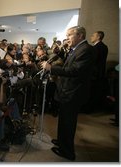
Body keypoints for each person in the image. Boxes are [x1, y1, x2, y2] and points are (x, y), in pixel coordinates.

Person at [41, 26, 95, 161]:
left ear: (80, 35)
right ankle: (61, 141)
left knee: (68, 122)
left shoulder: (86, 50)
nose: (67, 38)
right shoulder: (77, 49)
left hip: (73, 93)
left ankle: (67, 152)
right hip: (67, 91)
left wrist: (51, 68)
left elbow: (74, 71)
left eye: (70, 35)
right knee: (64, 119)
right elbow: (68, 64)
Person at [87, 31, 109, 112]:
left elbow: (93, 61)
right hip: (99, 73)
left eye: (93, 35)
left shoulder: (97, 47)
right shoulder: (104, 46)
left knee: (92, 92)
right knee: (95, 91)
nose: (91, 37)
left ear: (98, 37)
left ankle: (89, 109)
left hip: (94, 73)